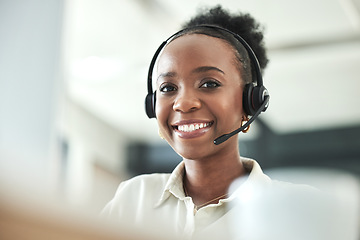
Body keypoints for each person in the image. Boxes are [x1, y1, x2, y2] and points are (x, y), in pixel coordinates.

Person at [101, 5, 318, 240]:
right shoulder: (134, 197)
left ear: (249, 104)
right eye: (168, 88)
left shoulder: (298, 208)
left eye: (209, 84)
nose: (183, 103)